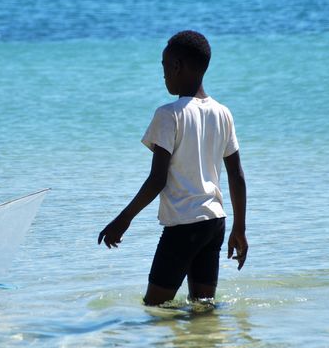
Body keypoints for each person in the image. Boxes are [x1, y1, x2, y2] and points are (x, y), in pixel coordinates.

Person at [97, 30, 248, 306]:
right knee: (202, 309)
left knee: (155, 308)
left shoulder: (169, 115)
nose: (164, 74)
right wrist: (239, 228)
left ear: (177, 66)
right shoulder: (223, 112)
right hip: (215, 223)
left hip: (183, 226)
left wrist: (123, 219)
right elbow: (237, 176)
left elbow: (157, 179)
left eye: (165, 66)